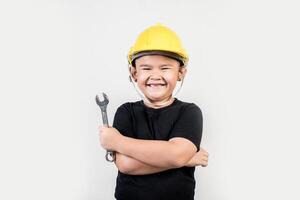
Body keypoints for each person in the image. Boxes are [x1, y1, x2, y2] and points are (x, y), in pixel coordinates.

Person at [99, 23, 209, 200]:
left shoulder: (189, 112)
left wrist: (117, 142)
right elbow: (126, 164)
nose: (155, 75)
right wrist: (187, 159)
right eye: (146, 68)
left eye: (165, 68)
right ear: (134, 73)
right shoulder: (126, 112)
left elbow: (176, 154)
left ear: (181, 72)